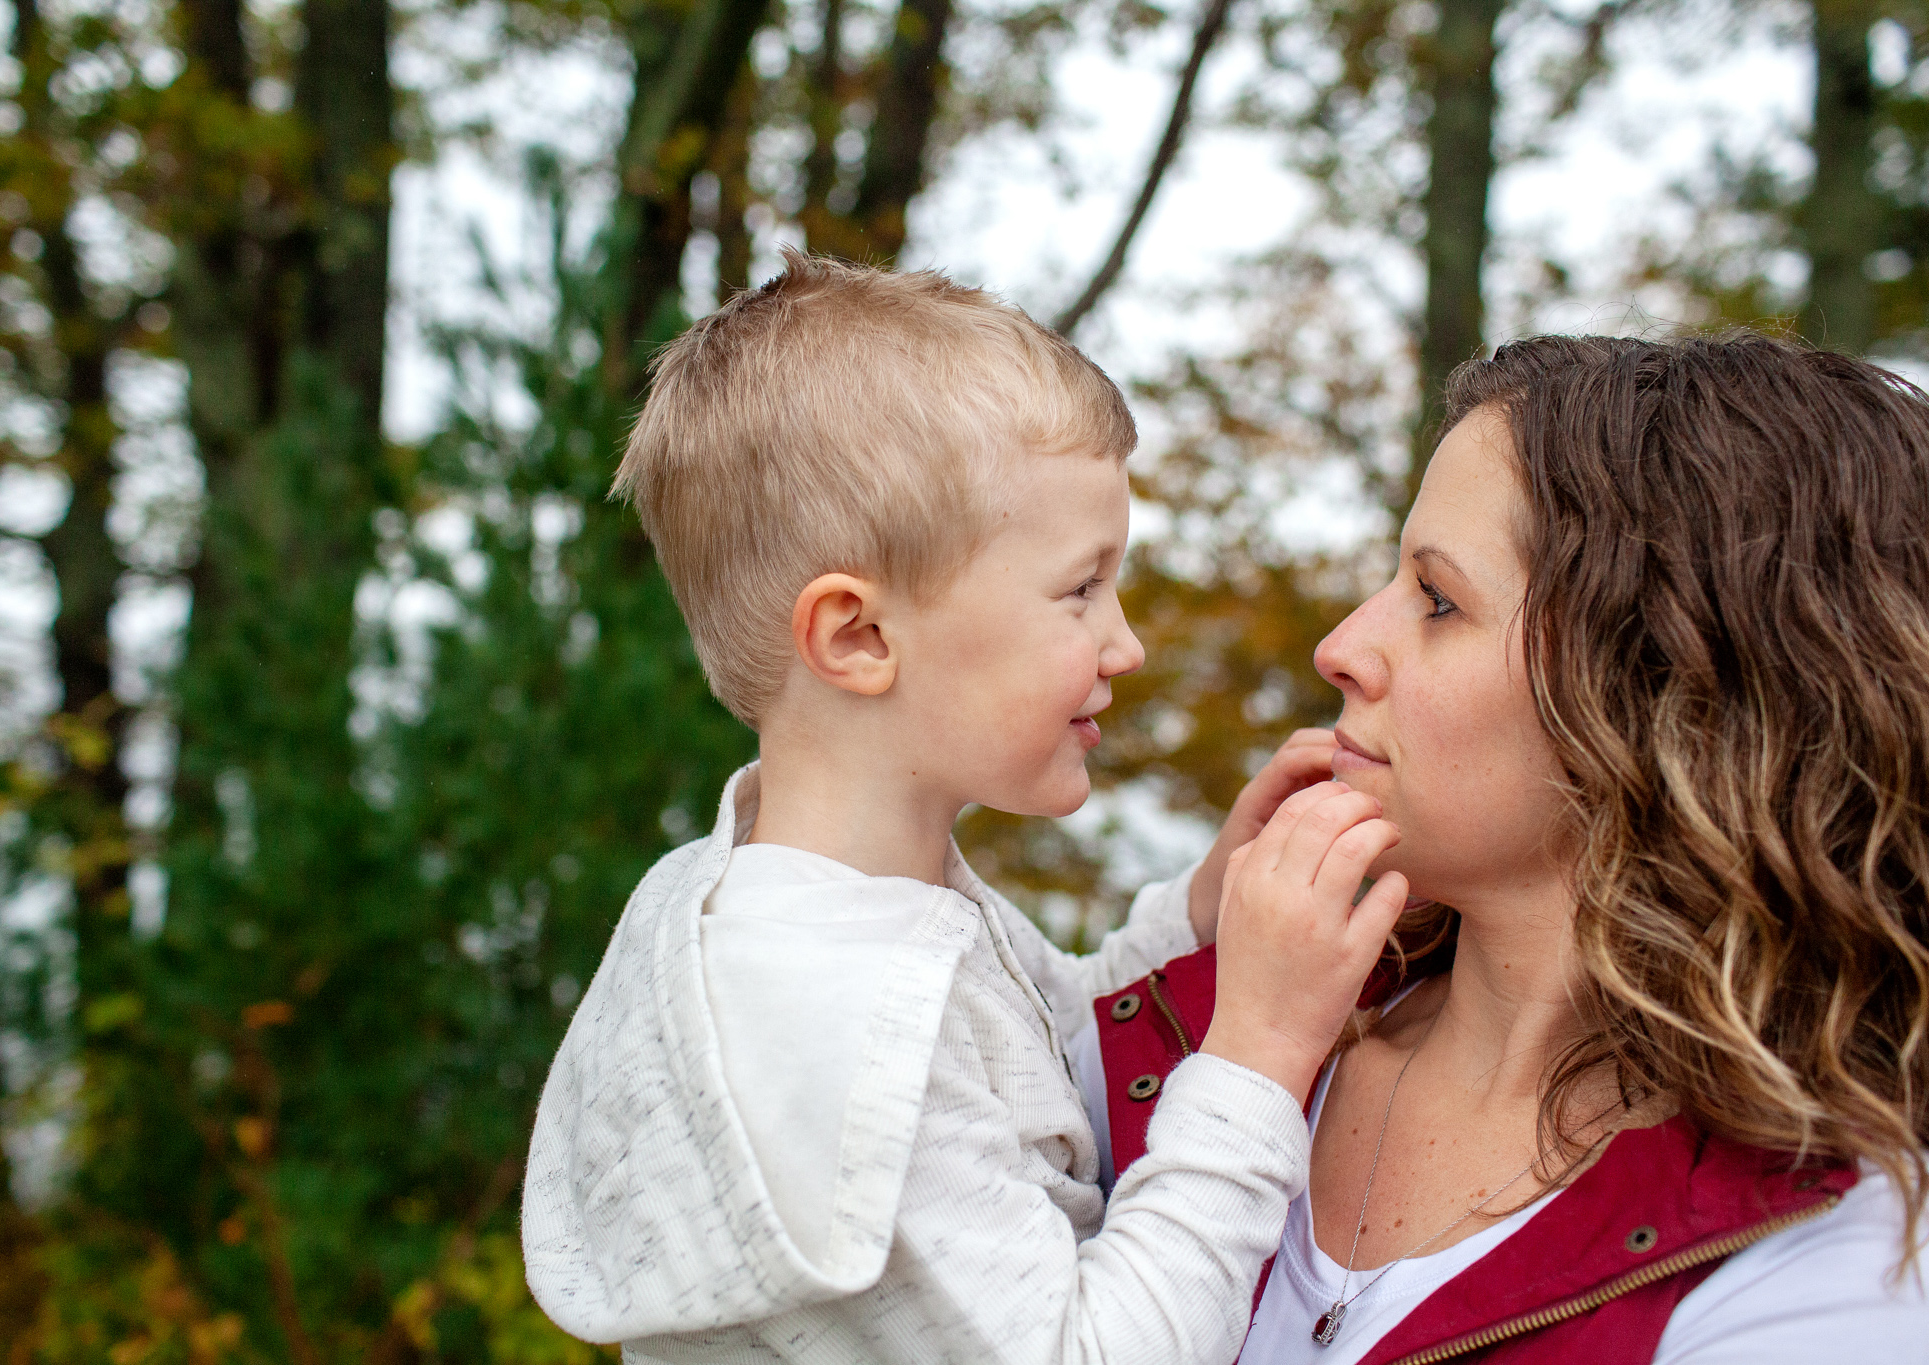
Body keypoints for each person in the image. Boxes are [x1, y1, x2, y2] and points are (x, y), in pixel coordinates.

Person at [520, 252, 1409, 1364]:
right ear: (858, 638)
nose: (1123, 643)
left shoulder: (865, 904)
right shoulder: (828, 1016)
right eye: (1079, 589)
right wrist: (1261, 1052)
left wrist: (1198, 914)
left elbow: (1036, 1071)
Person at [1086, 333, 1929, 1362]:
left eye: (1436, 601)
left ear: (1669, 698)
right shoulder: (1177, 1036)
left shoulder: (1861, 1273)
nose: (1338, 648)